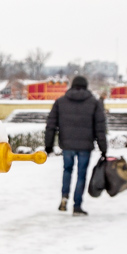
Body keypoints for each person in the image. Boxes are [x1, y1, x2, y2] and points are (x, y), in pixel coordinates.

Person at [44, 75, 107, 216]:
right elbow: (100, 128)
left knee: (67, 170)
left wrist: (48, 145)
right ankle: (77, 205)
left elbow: (51, 125)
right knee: (81, 174)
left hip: (67, 145)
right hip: (85, 146)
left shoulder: (60, 102)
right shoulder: (94, 103)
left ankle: (64, 197)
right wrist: (103, 148)